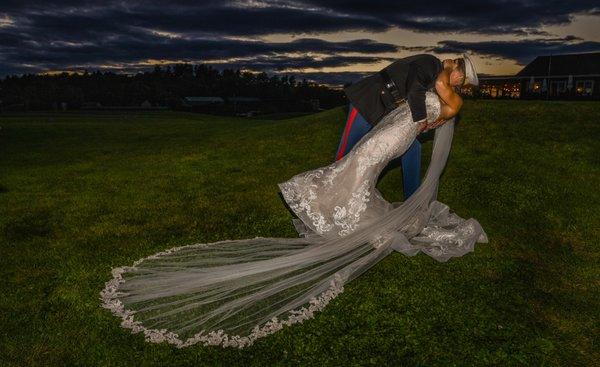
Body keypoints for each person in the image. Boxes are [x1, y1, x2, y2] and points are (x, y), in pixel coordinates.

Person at [100, 55, 487, 350]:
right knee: (357, 164)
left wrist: (423, 115)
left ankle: (335, 205)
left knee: (360, 164)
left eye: (460, 77)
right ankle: (336, 203)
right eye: (458, 73)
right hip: (394, 125)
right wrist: (416, 110)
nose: (456, 77)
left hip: (398, 130)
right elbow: (415, 90)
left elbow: (433, 107)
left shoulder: (447, 92)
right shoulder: (431, 71)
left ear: (460, 79)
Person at [335, 54, 478, 198]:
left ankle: (411, 201)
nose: (457, 86)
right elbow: (414, 88)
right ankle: (330, 188)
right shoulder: (431, 63)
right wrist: (421, 120)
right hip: (369, 99)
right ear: (459, 74)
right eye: (460, 82)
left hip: (388, 110)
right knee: (347, 150)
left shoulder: (436, 77)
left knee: (413, 148)